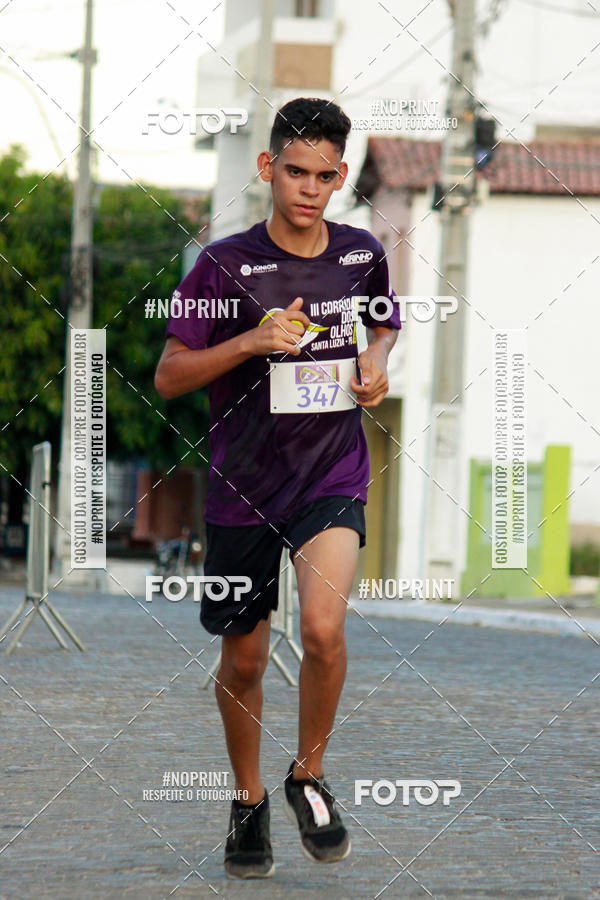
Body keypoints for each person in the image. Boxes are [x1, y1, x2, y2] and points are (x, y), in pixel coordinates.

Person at [154, 96, 401, 879]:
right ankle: (249, 801)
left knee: (325, 630)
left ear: (340, 176)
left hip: (331, 470)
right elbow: (168, 377)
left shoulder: (362, 252)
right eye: (295, 171)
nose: (308, 187)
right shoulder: (223, 266)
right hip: (243, 484)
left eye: (324, 175)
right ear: (268, 167)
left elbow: (384, 318)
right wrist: (252, 339)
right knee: (248, 660)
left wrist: (375, 363)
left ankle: (309, 777)